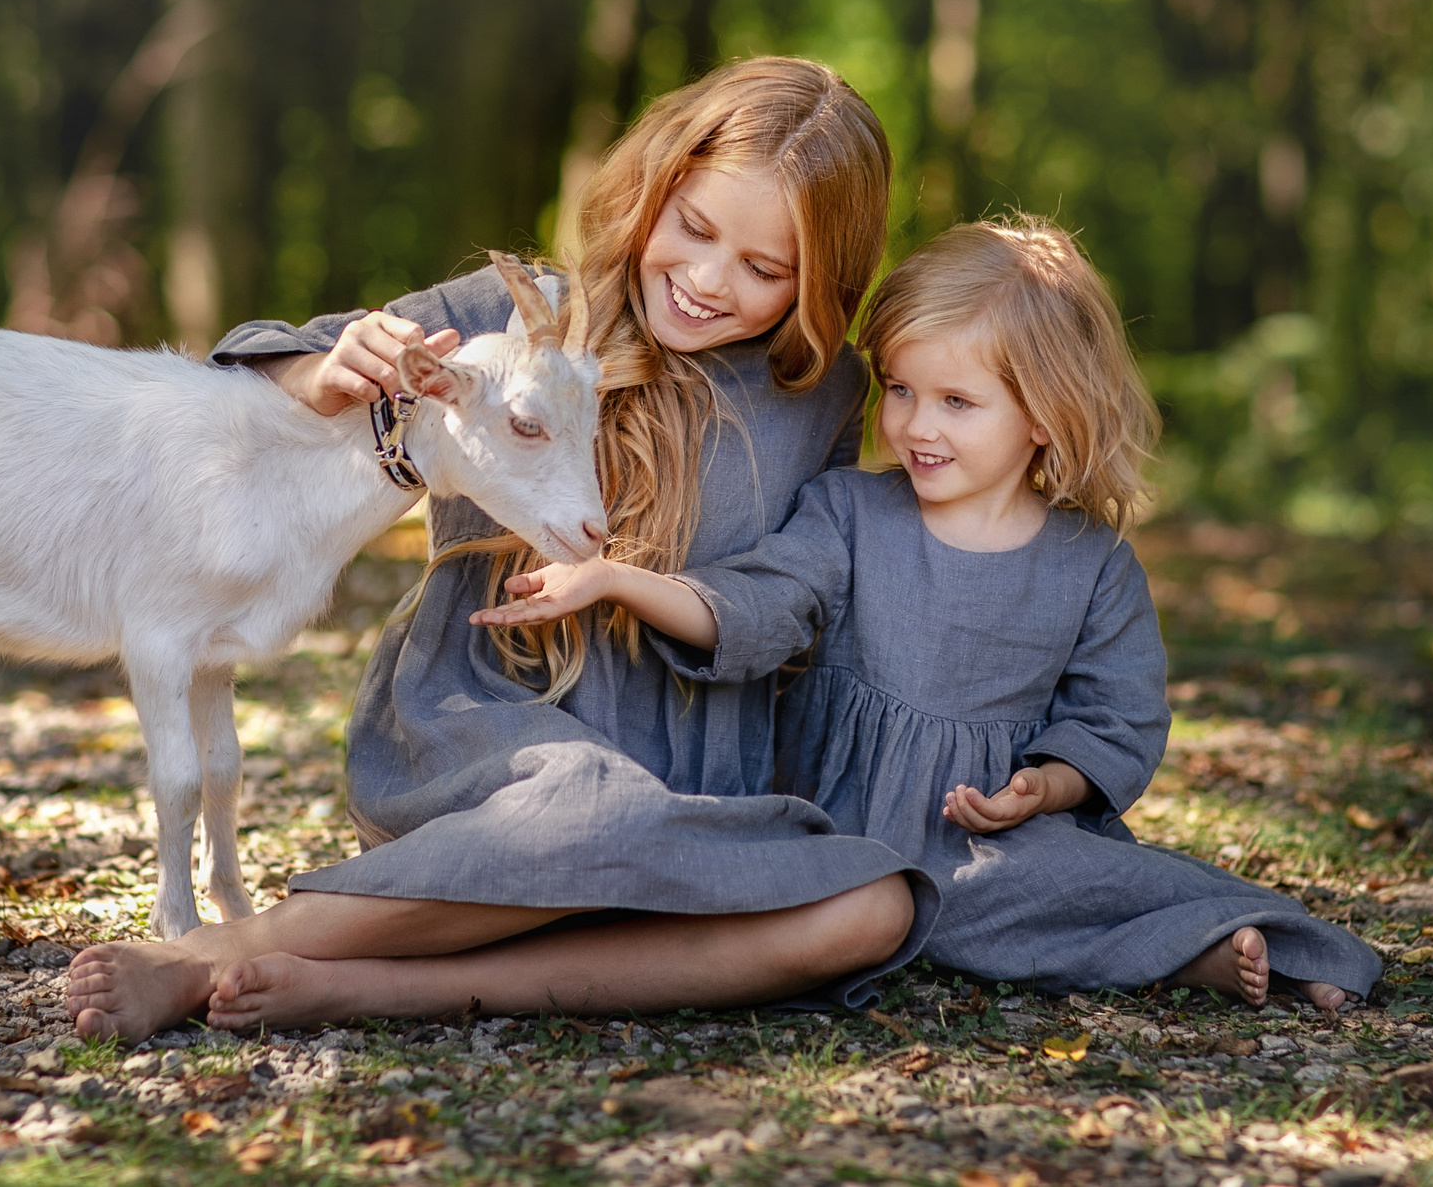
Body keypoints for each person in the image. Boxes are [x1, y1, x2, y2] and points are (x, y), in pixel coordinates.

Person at [67, 57, 929, 1039]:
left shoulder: (820, 394)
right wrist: (325, 371)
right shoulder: (517, 312)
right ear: (655, 189)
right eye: (693, 228)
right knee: (586, 811)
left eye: (763, 269)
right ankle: (206, 955)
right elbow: (250, 361)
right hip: (491, 741)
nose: (705, 280)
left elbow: (790, 600)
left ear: (819, 280)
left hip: (690, 774)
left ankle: (378, 988)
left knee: (875, 908)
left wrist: (624, 583)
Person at [476, 216, 1382, 1009]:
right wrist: (614, 580)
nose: (917, 425)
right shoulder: (850, 511)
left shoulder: (1092, 563)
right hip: (830, 828)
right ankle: (1167, 954)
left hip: (988, 844)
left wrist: (1045, 788)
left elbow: (1118, 717)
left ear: (1044, 415)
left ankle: (1228, 949)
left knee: (1093, 881)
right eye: (902, 390)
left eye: (957, 402)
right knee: (769, 873)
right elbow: (760, 603)